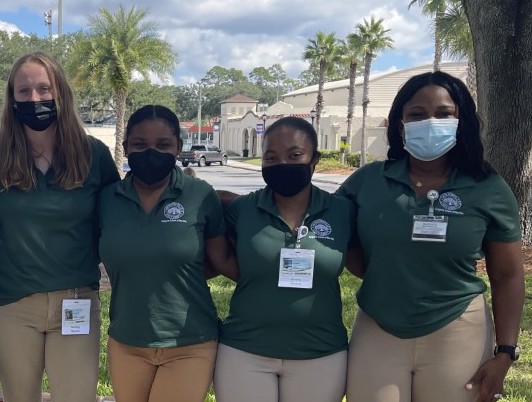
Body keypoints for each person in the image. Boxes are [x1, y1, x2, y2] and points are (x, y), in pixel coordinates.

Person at [337, 71, 524, 402]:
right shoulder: (367, 181)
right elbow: (328, 226)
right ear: (401, 124)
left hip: (457, 330)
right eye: (417, 115)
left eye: (443, 114)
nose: (430, 122)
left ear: (461, 120)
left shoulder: (488, 188)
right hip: (379, 326)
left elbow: (508, 274)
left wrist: (505, 353)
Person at [0, 52, 120, 402]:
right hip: (11, 304)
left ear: (61, 94)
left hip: (76, 299)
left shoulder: (93, 154)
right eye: (24, 91)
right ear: (12, 99)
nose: (34, 98)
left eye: (43, 88)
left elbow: (118, 222)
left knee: (77, 396)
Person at [98, 105, 237, 402]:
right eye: (139, 144)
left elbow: (220, 261)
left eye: (163, 145)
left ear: (179, 147)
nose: (151, 152)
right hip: (126, 341)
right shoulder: (107, 200)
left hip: (190, 342)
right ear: (125, 147)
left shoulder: (200, 195)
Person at [213, 117, 357, 402]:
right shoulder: (243, 209)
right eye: (271, 157)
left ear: (314, 159)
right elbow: (210, 220)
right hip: (244, 351)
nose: (282, 164)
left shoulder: (343, 211)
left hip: (321, 353)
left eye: (294, 155)